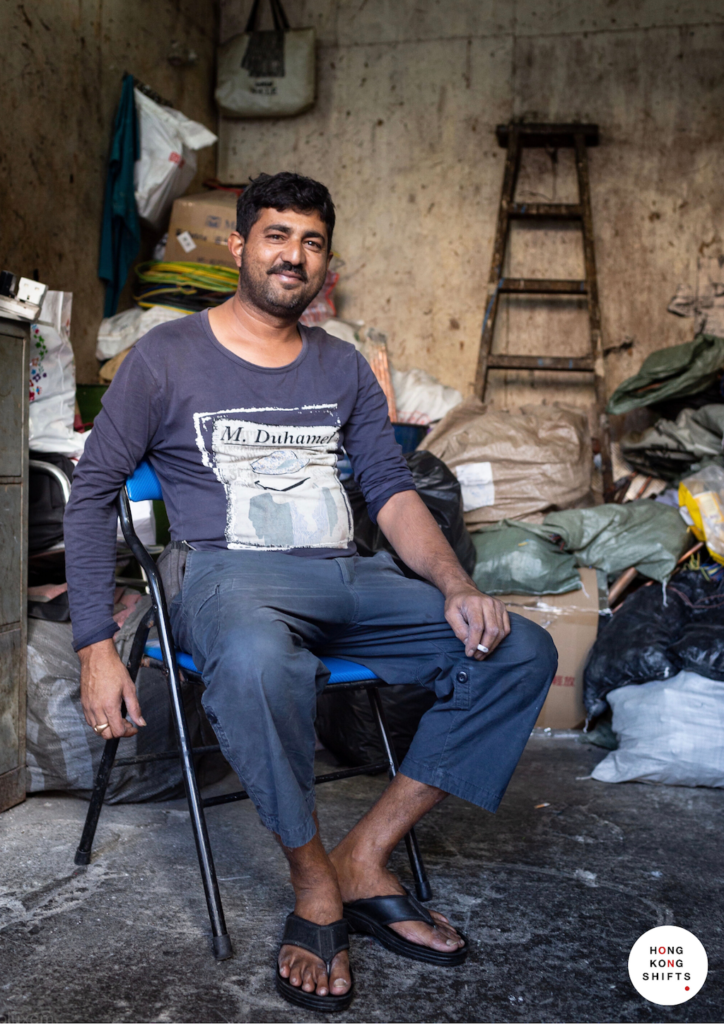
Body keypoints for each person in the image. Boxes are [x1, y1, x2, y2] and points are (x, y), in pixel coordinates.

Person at [65, 172, 557, 1012]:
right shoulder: (166, 357)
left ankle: (364, 855)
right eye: (277, 236)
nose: (294, 256)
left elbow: (393, 492)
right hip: (221, 573)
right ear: (240, 246)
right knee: (260, 662)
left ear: (326, 259)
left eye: (312, 242)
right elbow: (91, 493)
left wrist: (454, 583)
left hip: (343, 573)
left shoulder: (345, 366)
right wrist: (94, 646)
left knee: (519, 647)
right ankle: (313, 884)